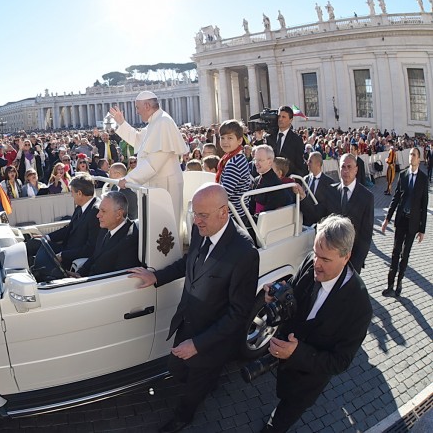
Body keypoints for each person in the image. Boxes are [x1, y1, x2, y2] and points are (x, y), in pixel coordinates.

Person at [129, 183, 259, 432]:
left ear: (224, 212)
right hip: (187, 324)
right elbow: (189, 262)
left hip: (211, 341)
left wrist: (198, 345)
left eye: (203, 215)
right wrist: (157, 276)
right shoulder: (202, 230)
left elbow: (238, 313)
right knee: (176, 369)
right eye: (195, 213)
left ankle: (183, 418)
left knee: (194, 388)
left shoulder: (244, 252)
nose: (196, 221)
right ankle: (209, 381)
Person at [261, 215, 372, 432]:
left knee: (283, 417)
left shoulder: (360, 307)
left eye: (325, 260)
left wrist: (297, 353)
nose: (316, 264)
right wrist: (277, 296)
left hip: (307, 382)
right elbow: (293, 289)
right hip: (284, 367)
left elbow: (340, 362)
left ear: (346, 257)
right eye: (315, 253)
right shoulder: (311, 262)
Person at [110, 90, 189, 225]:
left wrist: (128, 179)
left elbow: (153, 164)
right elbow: (137, 139)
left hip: (165, 185)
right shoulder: (155, 122)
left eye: (138, 108)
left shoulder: (163, 122)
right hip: (157, 184)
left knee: (166, 228)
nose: (137, 112)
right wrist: (122, 123)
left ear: (147, 106)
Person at [297, 154, 373, 273]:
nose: (346, 171)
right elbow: (316, 215)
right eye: (343, 167)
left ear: (356, 169)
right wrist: (302, 197)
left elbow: (366, 235)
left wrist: (355, 266)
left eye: (349, 167)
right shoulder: (331, 191)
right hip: (329, 258)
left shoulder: (367, 197)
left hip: (351, 260)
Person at [380, 147, 428, 297]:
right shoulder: (403, 175)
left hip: (413, 224)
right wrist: (387, 219)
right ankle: (390, 285)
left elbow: (424, 205)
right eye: (410, 154)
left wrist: (422, 229)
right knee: (395, 252)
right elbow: (395, 198)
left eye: (414, 155)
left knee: (404, 255)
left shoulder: (423, 178)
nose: (411, 157)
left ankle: (400, 281)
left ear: (419, 159)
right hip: (400, 221)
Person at [27, 175, 100, 270]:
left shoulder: (95, 212)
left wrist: (63, 255)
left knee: (35, 263)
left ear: (79, 193)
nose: (71, 195)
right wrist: (47, 237)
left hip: (71, 255)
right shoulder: (81, 206)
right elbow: (69, 228)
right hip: (65, 249)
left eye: (72, 192)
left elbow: (90, 248)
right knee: (35, 243)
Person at [68, 191, 141, 277]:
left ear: (118, 214)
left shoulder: (129, 241)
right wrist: (79, 274)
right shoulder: (105, 228)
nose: (98, 215)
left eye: (103, 211)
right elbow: (95, 256)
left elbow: (117, 279)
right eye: (99, 210)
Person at [216, 120, 251, 222]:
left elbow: (224, 193)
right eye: (222, 138)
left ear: (240, 140)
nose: (225, 141)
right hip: (238, 212)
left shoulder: (234, 163)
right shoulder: (234, 157)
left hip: (234, 216)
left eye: (230, 138)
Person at [250, 145, 293, 216]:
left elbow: (268, 214)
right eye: (255, 160)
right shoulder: (257, 179)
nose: (256, 163)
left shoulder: (275, 185)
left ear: (270, 162)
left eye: (260, 160)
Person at [297, 152, 337, 226]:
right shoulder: (305, 179)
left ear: (318, 164)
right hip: (305, 222)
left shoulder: (329, 183)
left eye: (310, 161)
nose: (307, 163)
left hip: (320, 223)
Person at [266, 106, 307, 177]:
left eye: (283, 117)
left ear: (290, 120)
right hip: (271, 180)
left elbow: (299, 165)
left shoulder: (296, 140)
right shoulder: (270, 137)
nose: (280, 119)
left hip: (287, 181)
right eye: (279, 116)